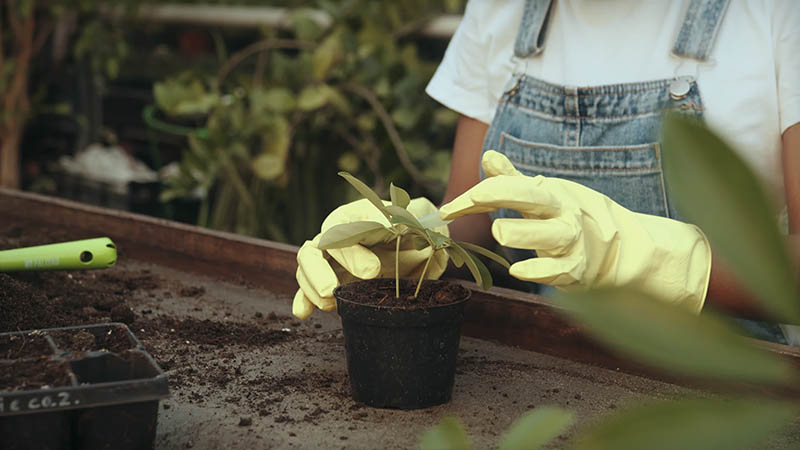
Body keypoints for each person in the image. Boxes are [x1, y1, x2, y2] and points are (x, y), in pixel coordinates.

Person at [293, 0, 800, 343]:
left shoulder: (776, 16)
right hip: (546, 371)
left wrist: (672, 262)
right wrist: (416, 238)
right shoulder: (505, 11)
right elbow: (474, 213)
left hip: (722, 390)